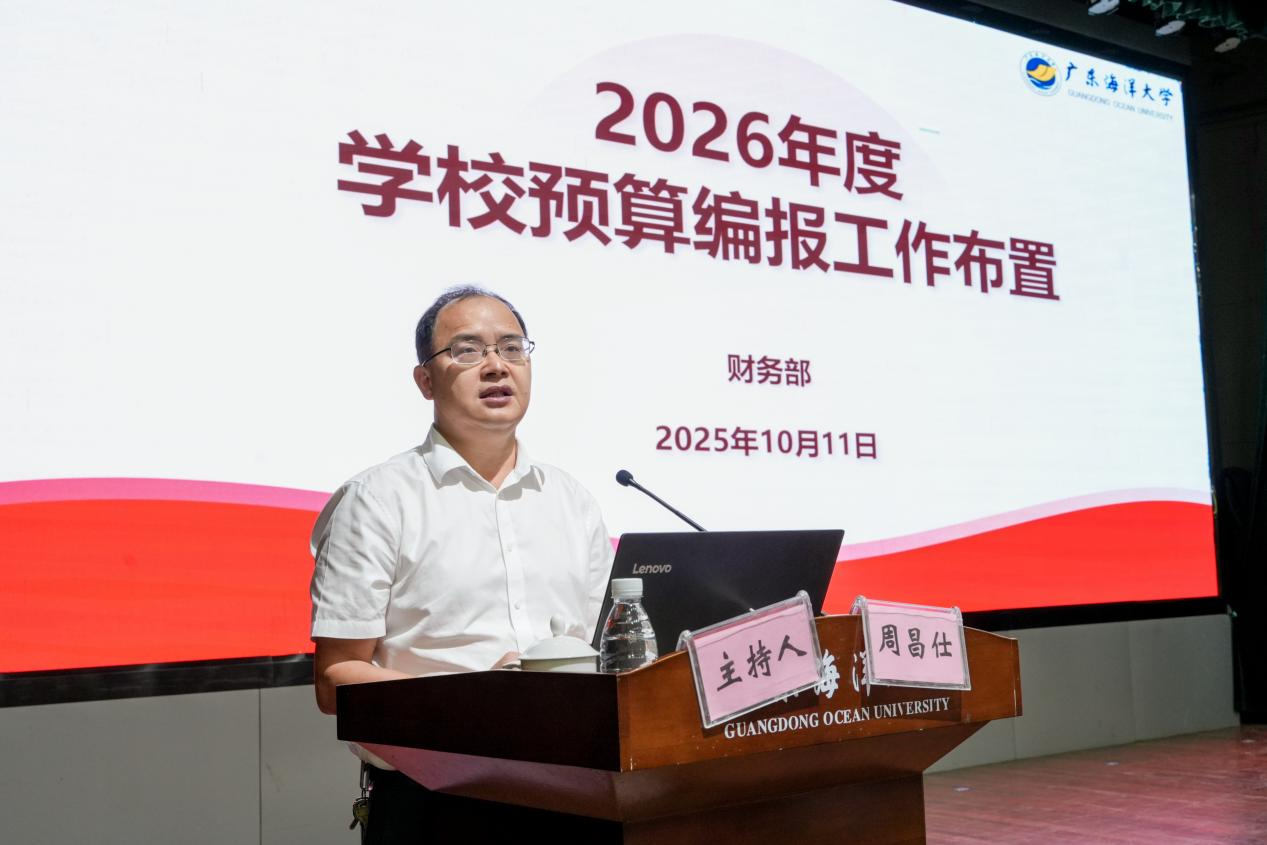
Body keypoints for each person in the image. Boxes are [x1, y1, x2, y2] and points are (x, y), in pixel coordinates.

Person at [309, 285, 615, 841]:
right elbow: (335, 680)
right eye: (468, 350)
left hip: (577, 793)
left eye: (512, 348)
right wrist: (475, 705)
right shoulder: (377, 499)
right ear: (426, 381)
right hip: (436, 802)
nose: (497, 366)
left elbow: (600, 653)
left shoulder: (573, 502)